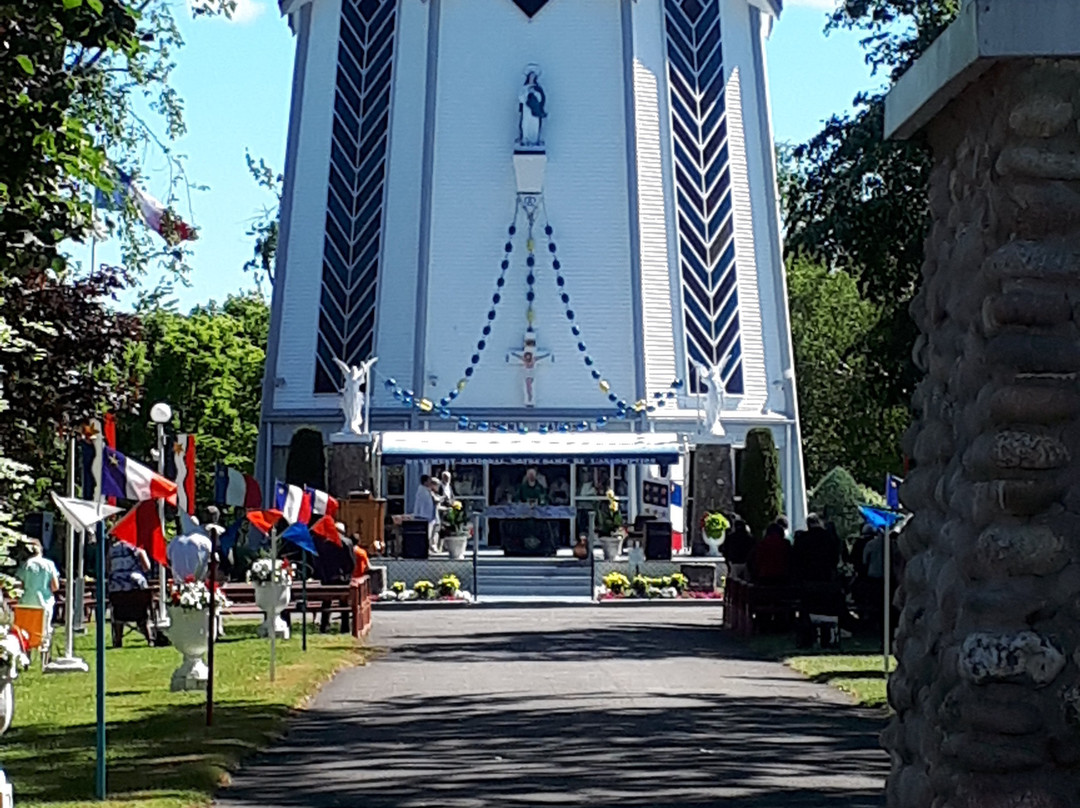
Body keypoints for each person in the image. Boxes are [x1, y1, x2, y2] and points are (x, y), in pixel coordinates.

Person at [17, 540, 59, 619]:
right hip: (45, 602)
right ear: (41, 549)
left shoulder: (25, 565)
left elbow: (21, 585)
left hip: (27, 602)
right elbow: (55, 586)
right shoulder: (49, 564)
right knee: (44, 629)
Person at [412, 474, 440, 553]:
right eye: (429, 481)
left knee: (430, 533)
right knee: (426, 534)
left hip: (428, 516)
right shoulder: (422, 491)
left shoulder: (427, 490)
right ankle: (425, 548)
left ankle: (429, 547)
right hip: (423, 516)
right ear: (425, 482)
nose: (430, 483)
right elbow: (426, 503)